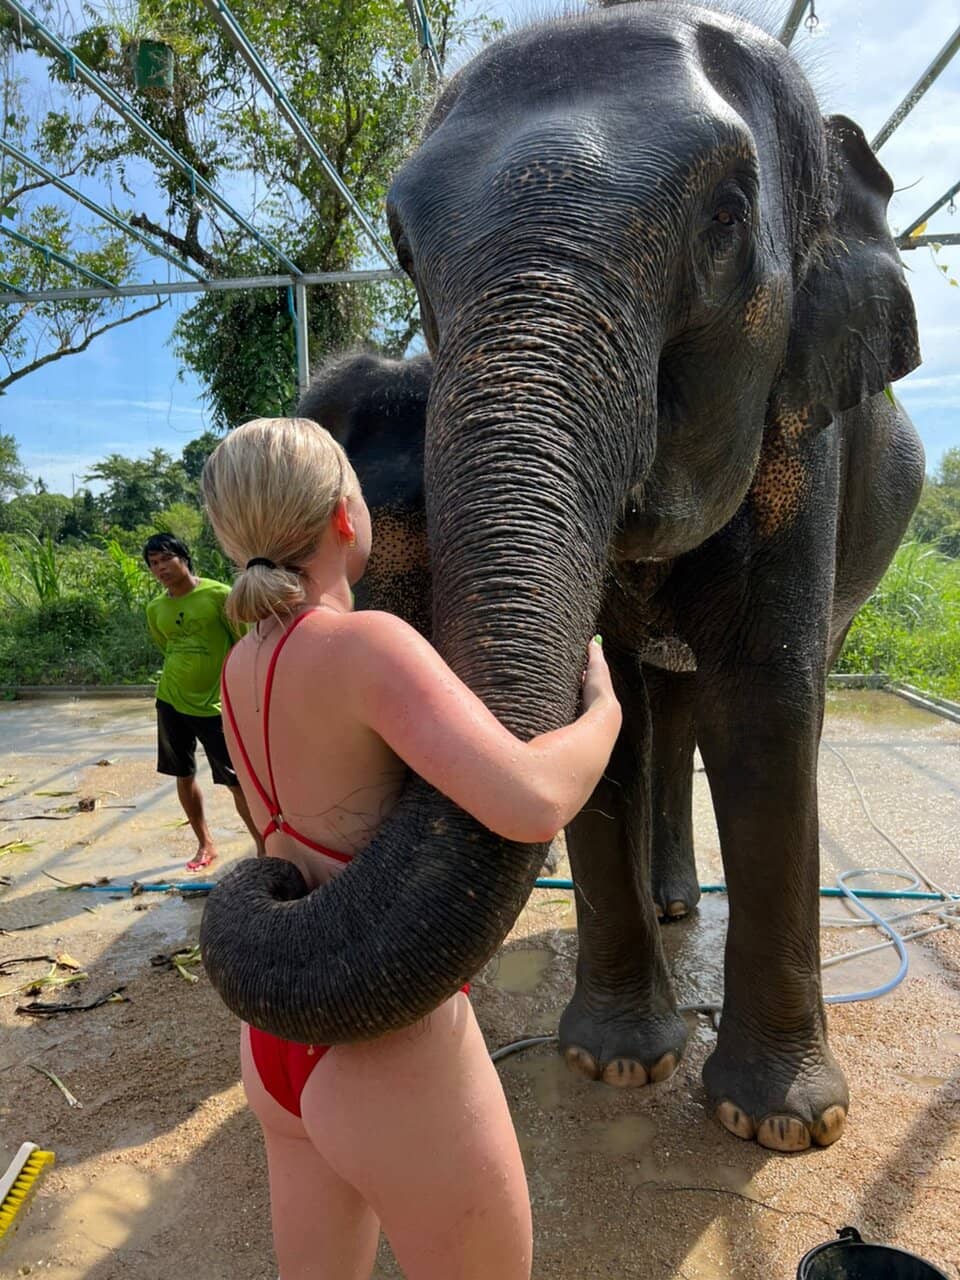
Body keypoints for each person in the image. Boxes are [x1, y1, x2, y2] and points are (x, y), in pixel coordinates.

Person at [200, 417, 622, 1280]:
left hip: (277, 1040)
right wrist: (604, 711)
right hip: (385, 1039)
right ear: (345, 516)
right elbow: (533, 800)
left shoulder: (239, 668)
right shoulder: (366, 646)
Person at [143, 532, 264, 871]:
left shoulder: (219, 595)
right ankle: (205, 844)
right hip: (170, 700)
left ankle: (263, 847)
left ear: (184, 557)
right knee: (183, 774)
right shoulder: (155, 608)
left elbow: (245, 644)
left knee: (235, 780)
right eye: (153, 563)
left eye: (166, 559)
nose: (160, 568)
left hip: (216, 706)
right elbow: (166, 646)